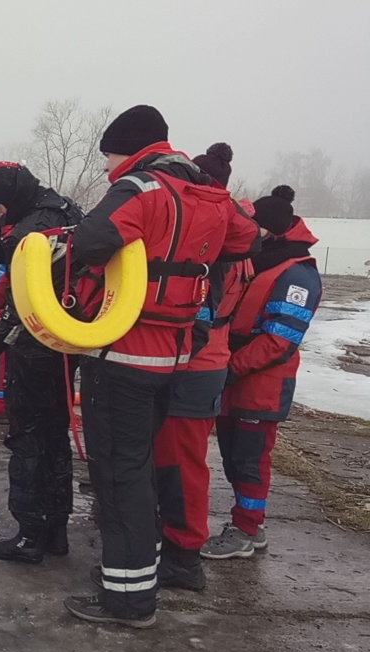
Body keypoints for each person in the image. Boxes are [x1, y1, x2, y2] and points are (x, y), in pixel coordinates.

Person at [62, 105, 258, 628]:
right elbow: (247, 239)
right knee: (140, 467)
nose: (108, 168)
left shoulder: (140, 188)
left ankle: (127, 599)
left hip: (122, 354)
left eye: (109, 157)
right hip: (171, 357)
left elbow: (91, 241)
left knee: (119, 474)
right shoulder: (208, 192)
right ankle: (138, 573)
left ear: (128, 150)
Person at [147, 143, 258, 590]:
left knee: (181, 464)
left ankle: (184, 555)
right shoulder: (235, 237)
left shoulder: (214, 245)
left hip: (194, 364)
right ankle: (174, 542)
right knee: (176, 461)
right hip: (206, 361)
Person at [0, 162, 85, 564]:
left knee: (27, 441)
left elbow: (18, 306)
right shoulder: (69, 211)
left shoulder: (28, 235)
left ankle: (28, 535)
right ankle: (56, 530)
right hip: (68, 344)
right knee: (56, 438)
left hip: (34, 347)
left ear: (11, 200)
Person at [203, 185, 321, 560]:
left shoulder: (297, 276)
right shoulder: (257, 262)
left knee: (250, 461)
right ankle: (250, 523)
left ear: (271, 230)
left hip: (260, 384)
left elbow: (280, 340)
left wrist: (229, 368)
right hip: (233, 375)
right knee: (232, 456)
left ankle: (246, 529)